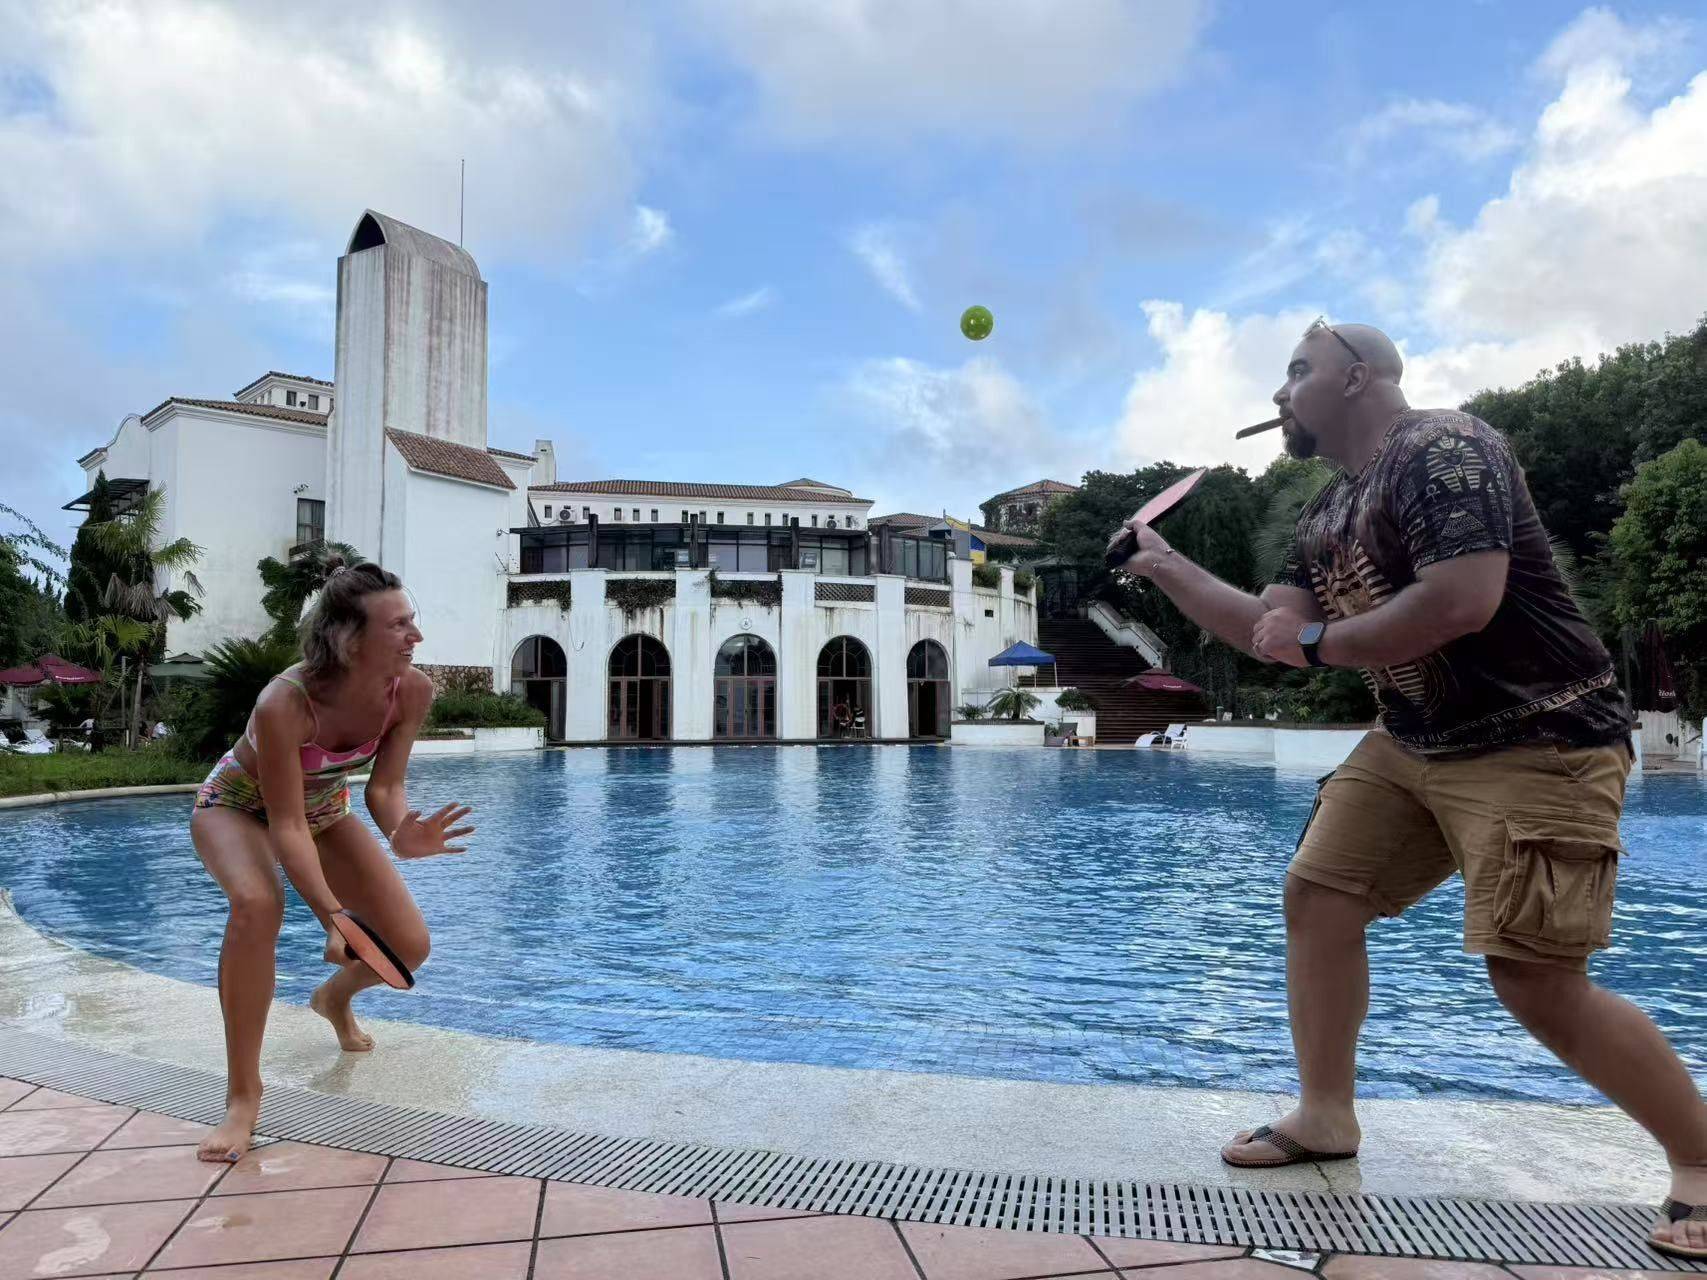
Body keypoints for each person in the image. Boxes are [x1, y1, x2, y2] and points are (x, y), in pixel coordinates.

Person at [1109, 319, 1707, 1260]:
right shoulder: (1325, 514)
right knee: (1318, 894)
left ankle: (1701, 1163)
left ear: (1357, 376)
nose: (1279, 393)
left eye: (1297, 371)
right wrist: (1166, 565)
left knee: (1533, 974)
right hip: (1414, 741)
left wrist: (1312, 642)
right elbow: (1272, 633)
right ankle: (1325, 1117)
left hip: (1540, 734)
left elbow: (1459, 600)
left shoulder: (1444, 448)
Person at [189, 559, 474, 1164]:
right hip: (237, 805)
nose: (415, 637)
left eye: (412, 621)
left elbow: (383, 788)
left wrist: (402, 831)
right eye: (398, 626)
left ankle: (333, 998)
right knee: (256, 906)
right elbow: (283, 823)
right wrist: (334, 918)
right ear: (348, 638)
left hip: (322, 810)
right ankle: (244, 1096)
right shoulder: (284, 703)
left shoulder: (412, 691)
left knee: (408, 945)